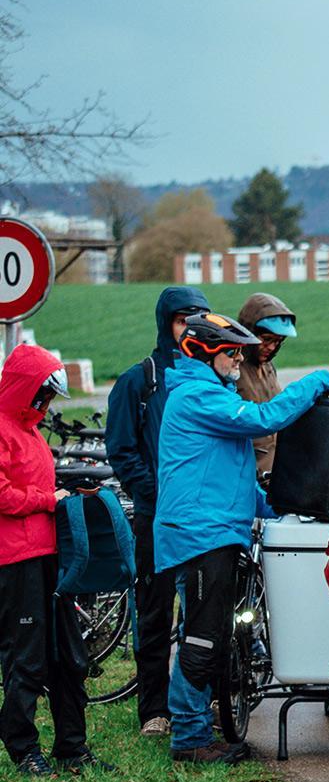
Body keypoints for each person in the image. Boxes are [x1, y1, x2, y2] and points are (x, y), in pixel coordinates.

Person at [155, 314, 329, 764]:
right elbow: (269, 417)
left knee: (211, 633)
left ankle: (197, 729)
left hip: (215, 529)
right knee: (203, 637)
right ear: (205, 353)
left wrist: (277, 506)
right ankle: (188, 738)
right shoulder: (196, 396)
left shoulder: (210, 394)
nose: (237, 359)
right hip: (201, 535)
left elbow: (226, 475)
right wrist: (320, 380)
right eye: (231, 352)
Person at [105, 286, 209, 738]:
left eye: (201, 318)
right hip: (154, 517)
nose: (192, 328)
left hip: (199, 520)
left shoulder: (206, 377)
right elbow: (122, 450)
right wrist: (156, 492)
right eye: (184, 319)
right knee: (153, 613)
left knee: (201, 616)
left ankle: (197, 705)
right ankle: (154, 709)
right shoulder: (139, 381)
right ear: (166, 321)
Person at [0, 346, 109, 776]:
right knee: (26, 657)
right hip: (17, 561)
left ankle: (73, 747)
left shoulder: (28, 431)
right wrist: (49, 499)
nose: (45, 407)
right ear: (25, 389)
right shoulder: (4, 429)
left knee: (69, 654)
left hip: (49, 556)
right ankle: (24, 749)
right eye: (41, 396)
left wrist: (69, 490)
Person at [232, 292, 299, 478]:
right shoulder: (232, 370)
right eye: (266, 339)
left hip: (276, 472)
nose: (271, 347)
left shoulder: (269, 367)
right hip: (246, 474)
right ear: (249, 332)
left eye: (278, 342)